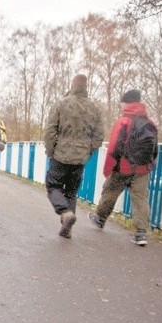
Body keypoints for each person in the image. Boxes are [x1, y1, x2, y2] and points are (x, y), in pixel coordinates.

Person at [88, 89, 158, 246]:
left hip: (123, 167)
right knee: (140, 198)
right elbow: (155, 149)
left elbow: (113, 148)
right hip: (142, 169)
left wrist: (108, 169)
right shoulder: (150, 123)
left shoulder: (123, 121)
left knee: (110, 190)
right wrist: (149, 165)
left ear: (127, 103)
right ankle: (141, 234)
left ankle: (100, 219)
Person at [44, 74, 104, 238]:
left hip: (61, 155)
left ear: (72, 85)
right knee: (71, 192)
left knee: (53, 186)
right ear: (86, 87)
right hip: (80, 158)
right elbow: (99, 135)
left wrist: (51, 152)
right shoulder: (94, 108)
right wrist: (88, 150)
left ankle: (65, 213)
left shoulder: (61, 104)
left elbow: (50, 130)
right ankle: (67, 229)